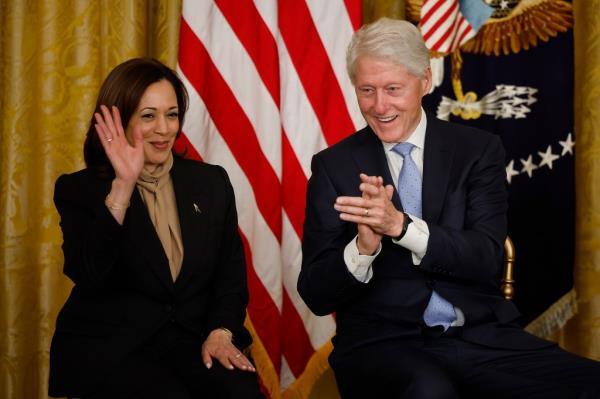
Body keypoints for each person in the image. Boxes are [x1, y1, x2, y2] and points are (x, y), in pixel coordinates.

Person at [298, 18, 600, 399]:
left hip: (478, 336)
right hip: (382, 344)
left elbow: (485, 258)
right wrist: (362, 250)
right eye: (367, 91)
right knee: (432, 391)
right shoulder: (334, 166)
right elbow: (316, 294)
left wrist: (401, 227)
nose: (379, 106)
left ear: (424, 81)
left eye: (393, 89)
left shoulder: (478, 151)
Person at [48, 58, 263, 399]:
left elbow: (230, 278)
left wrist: (221, 331)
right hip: (118, 349)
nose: (164, 128)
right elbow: (90, 275)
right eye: (148, 116)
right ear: (118, 121)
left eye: (172, 114)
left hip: (198, 342)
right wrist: (123, 186)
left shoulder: (211, 182)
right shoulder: (79, 190)